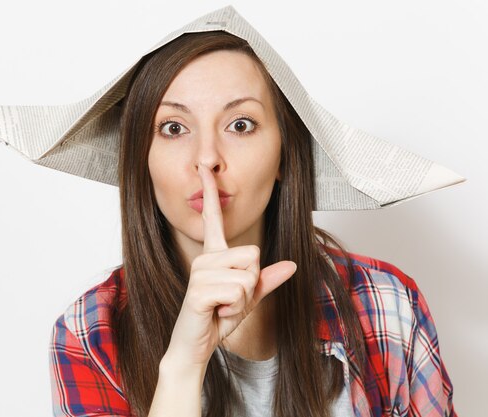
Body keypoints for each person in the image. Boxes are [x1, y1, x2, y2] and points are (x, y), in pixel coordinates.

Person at [48, 30, 456, 417]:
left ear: (283, 154)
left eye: (240, 125)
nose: (207, 158)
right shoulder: (91, 333)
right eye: (174, 128)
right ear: (142, 158)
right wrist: (183, 366)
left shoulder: (385, 306)